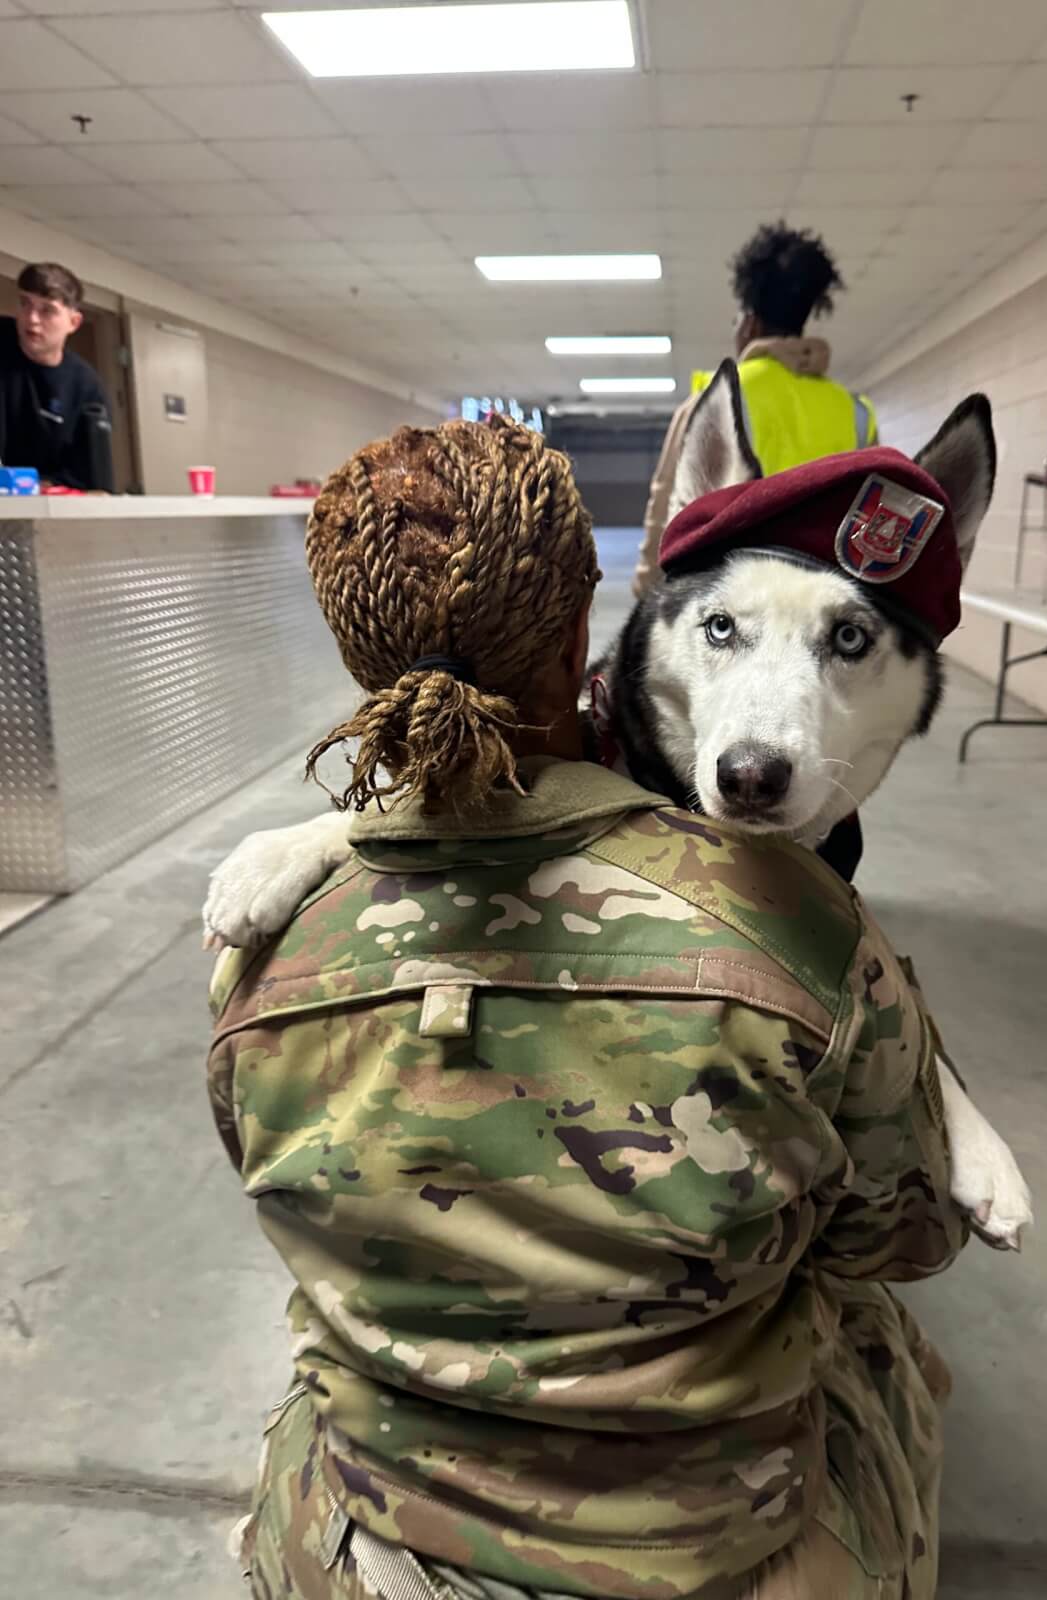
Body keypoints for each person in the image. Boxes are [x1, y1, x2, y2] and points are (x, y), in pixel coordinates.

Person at [208, 416, 970, 1600]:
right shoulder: (813, 947)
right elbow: (899, 1234)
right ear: (587, 635)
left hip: (367, 1534)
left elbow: (264, 1176)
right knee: (885, 1341)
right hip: (701, 1541)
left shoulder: (259, 942)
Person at [634, 223, 876, 599]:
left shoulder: (713, 401)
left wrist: (647, 589)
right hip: (822, 614)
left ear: (749, 321)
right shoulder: (854, 413)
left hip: (731, 610)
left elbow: (667, 508)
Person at [0, 262, 115, 492]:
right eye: (25, 304)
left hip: (33, 507)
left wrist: (31, 486)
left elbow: (90, 475)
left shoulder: (86, 387)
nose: (31, 319)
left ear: (73, 323)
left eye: (47, 310)